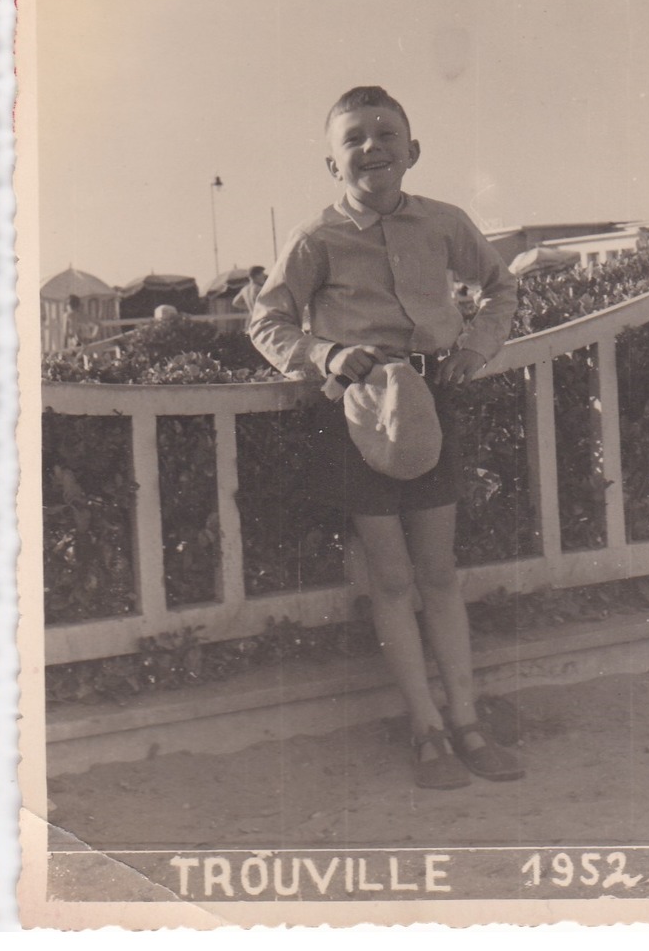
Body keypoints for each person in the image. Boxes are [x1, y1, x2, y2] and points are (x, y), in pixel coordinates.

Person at [249, 86, 523, 790]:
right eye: (354, 139)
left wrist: (476, 347)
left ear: (413, 150)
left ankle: (468, 721)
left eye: (385, 133)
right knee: (393, 579)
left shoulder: (444, 223)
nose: (372, 147)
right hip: (363, 416)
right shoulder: (315, 238)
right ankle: (426, 727)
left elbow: (499, 287)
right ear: (332, 164)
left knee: (438, 571)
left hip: (433, 408)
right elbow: (268, 320)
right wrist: (327, 356)